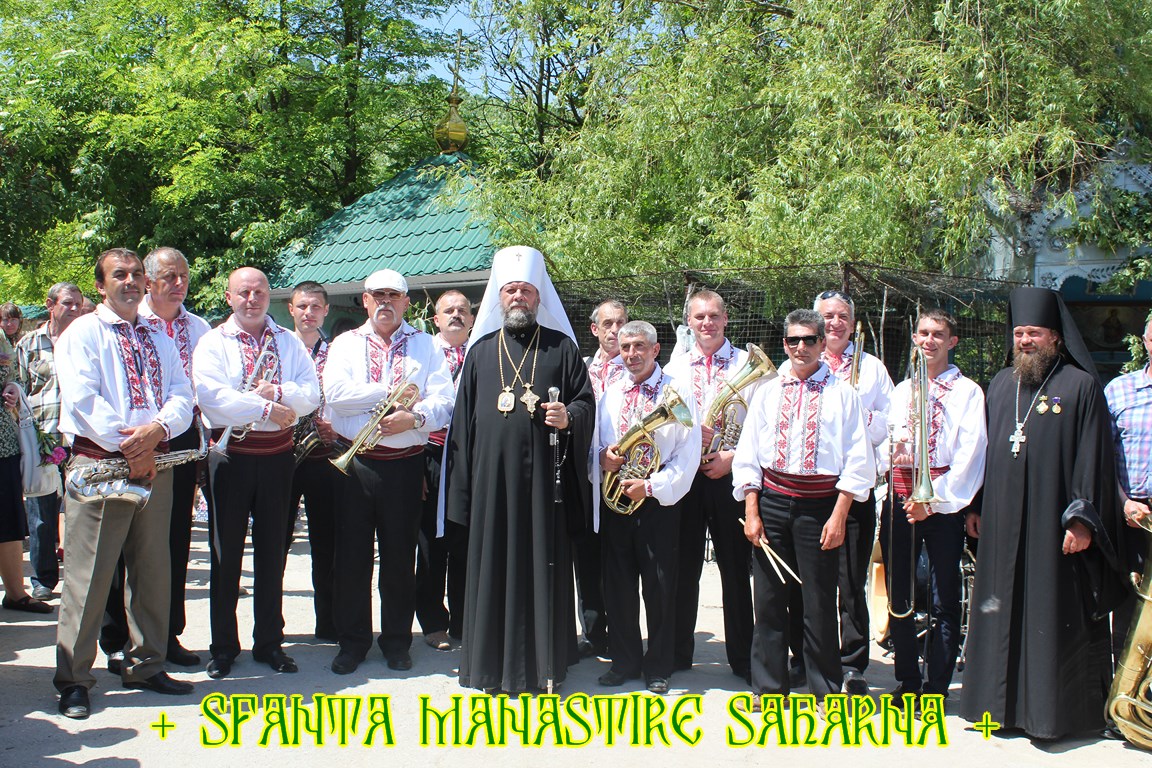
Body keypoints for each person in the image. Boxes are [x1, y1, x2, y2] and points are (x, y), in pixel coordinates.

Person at [960, 286, 1126, 740]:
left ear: (1055, 336)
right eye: (1019, 333)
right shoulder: (1000, 384)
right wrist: (976, 506)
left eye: (1034, 332)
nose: (1025, 341)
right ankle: (996, 708)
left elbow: (1093, 457)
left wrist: (1082, 519)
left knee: (1050, 612)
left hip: (1055, 527)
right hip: (1000, 522)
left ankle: (1050, 717)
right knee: (998, 608)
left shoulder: (1081, 386)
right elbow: (984, 453)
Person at [445, 245, 596, 694]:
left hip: (541, 486)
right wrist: (462, 494)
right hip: (490, 487)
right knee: (491, 568)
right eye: (511, 290)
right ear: (499, 296)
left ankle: (542, 665)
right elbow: (462, 428)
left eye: (526, 290)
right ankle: (489, 668)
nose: (518, 297)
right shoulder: (480, 352)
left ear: (538, 296)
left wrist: (568, 417)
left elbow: (586, 403)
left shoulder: (561, 348)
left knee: (540, 566)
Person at [54, 248, 196, 719]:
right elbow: (83, 400)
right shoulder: (82, 333)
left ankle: (146, 664)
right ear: (101, 285)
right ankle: (74, 679)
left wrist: (157, 430)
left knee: (152, 571)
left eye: (137, 274)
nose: (131, 281)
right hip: (102, 465)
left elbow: (181, 394)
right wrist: (132, 447)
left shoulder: (158, 334)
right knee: (89, 579)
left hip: (156, 463)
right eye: (120, 275)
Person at [733, 309, 874, 709]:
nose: (801, 347)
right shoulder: (767, 392)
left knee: (818, 603)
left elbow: (858, 461)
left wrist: (839, 515)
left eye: (809, 339)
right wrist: (753, 511)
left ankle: (825, 691)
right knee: (769, 601)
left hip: (820, 507)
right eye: (793, 340)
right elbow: (748, 455)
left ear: (823, 342)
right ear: (784, 344)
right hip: (772, 503)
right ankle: (768, 688)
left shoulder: (843, 394)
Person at [323, 269, 454, 675]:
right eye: (377, 294)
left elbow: (444, 401)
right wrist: (389, 394)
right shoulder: (346, 343)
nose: (385, 301)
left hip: (404, 465)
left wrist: (413, 418)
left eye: (393, 295)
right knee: (352, 559)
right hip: (355, 463)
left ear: (406, 303)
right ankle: (353, 642)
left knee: (399, 559)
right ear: (365, 300)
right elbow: (336, 396)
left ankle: (397, 642)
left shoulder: (427, 345)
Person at [193, 267, 320, 679]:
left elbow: (311, 394)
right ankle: (223, 647)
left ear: (269, 295)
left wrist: (277, 392)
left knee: (272, 553)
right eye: (243, 292)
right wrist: (267, 408)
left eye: (259, 292)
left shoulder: (288, 341)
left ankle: (269, 642)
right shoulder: (213, 342)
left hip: (278, 458)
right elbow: (214, 400)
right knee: (225, 555)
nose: (252, 299)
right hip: (230, 458)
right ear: (229, 297)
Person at [100, 247, 211, 673]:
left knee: (173, 540)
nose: (178, 283)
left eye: (184, 276)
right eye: (168, 276)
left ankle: (166, 634)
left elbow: (195, 389)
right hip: (125, 438)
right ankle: (116, 639)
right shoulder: (131, 319)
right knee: (119, 541)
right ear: (149, 280)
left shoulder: (199, 328)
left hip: (178, 437)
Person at [880, 308, 986, 701]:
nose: (929, 340)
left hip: (943, 505)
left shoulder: (968, 392)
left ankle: (936, 686)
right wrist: (893, 452)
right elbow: (888, 443)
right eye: (923, 333)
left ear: (952, 341)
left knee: (945, 596)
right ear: (915, 338)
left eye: (938, 334)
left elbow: (971, 455)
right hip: (900, 498)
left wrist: (933, 499)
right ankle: (907, 681)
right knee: (900, 594)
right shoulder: (902, 390)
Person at [596, 320, 700, 694]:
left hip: (657, 501)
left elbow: (687, 452)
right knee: (619, 587)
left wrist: (652, 486)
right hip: (617, 499)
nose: (632, 354)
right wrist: (602, 457)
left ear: (655, 350)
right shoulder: (611, 392)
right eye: (625, 347)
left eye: (639, 346)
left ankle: (658, 666)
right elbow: (599, 443)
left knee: (660, 588)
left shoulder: (677, 390)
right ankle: (624, 661)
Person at [666, 290, 764, 683]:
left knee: (736, 570)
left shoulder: (745, 363)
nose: (706, 323)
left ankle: (743, 658)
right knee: (683, 566)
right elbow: (668, 419)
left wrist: (732, 457)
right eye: (699, 317)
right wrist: (692, 435)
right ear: (689, 322)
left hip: (729, 475)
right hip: (687, 478)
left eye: (713, 316)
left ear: (725, 319)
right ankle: (677, 653)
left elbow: (762, 423)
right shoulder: (675, 366)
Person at [798, 289, 891, 695]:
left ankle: (852, 663)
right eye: (827, 316)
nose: (834, 323)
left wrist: (856, 413)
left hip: (852, 490)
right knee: (806, 580)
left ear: (852, 324)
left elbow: (889, 426)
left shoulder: (872, 369)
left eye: (841, 316)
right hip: (808, 490)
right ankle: (807, 658)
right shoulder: (798, 362)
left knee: (851, 580)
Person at [16, 282, 84, 601]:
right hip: (43, 439)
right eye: (68, 303)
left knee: (82, 511)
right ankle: (43, 578)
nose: (74, 309)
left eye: (78, 303)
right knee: (41, 513)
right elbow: (18, 388)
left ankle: (79, 579)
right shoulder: (29, 344)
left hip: (82, 439)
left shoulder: (86, 340)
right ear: (50, 304)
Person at [415, 289, 474, 652]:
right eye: (448, 310)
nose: (456, 315)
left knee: (465, 541)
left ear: (472, 318)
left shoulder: (483, 352)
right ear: (435, 319)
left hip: (469, 460)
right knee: (430, 542)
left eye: (462, 310)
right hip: (430, 453)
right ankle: (433, 622)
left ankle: (465, 621)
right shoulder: (422, 353)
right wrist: (418, 464)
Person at [284, 280, 340, 642]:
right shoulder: (279, 348)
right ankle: (271, 627)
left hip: (324, 456)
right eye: (302, 306)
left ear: (326, 310)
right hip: (283, 456)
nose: (309, 313)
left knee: (327, 545)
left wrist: (335, 423)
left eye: (315, 306)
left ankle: (328, 623)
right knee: (276, 542)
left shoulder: (337, 352)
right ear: (291, 309)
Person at [575, 298, 629, 658]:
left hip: (624, 479)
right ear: (595, 329)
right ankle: (594, 634)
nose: (614, 330)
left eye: (620, 322)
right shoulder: (580, 368)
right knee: (587, 558)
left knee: (621, 561)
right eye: (607, 324)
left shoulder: (637, 367)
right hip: (586, 478)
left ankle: (623, 635)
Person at [1105, 313, 1152, 665]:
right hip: (1132, 516)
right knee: (1129, 612)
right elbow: (1101, 457)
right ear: (1146, 342)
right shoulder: (1119, 390)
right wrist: (1123, 503)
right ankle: (1126, 691)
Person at [0, 330, 52, 614]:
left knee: (9, 521)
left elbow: (15, 378)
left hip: (4, 444)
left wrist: (13, 388)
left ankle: (16, 594)